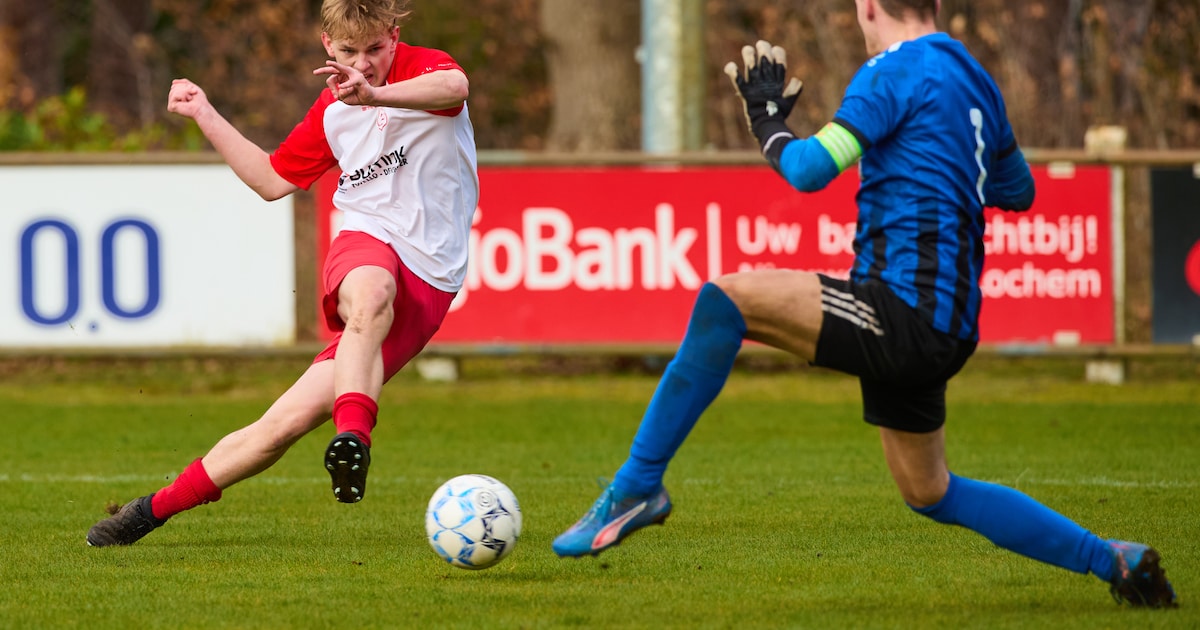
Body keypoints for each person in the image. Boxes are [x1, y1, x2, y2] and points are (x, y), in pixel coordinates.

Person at [552, 0, 1177, 609]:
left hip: (903, 311)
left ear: (868, 5)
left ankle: (637, 487)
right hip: (948, 325)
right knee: (931, 491)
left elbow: (808, 170)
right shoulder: (975, 78)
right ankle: (1114, 559)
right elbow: (1019, 190)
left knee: (726, 301)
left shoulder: (893, 71)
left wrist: (768, 123)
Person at [86, 0, 478, 546]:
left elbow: (455, 88)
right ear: (327, 45)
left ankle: (149, 510)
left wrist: (375, 95)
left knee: (279, 428)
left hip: (432, 275)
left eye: (374, 49)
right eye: (348, 51)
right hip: (367, 239)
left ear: (394, 36)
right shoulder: (331, 111)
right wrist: (204, 112)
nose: (362, 64)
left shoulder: (424, 69)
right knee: (371, 293)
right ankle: (353, 441)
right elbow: (272, 180)